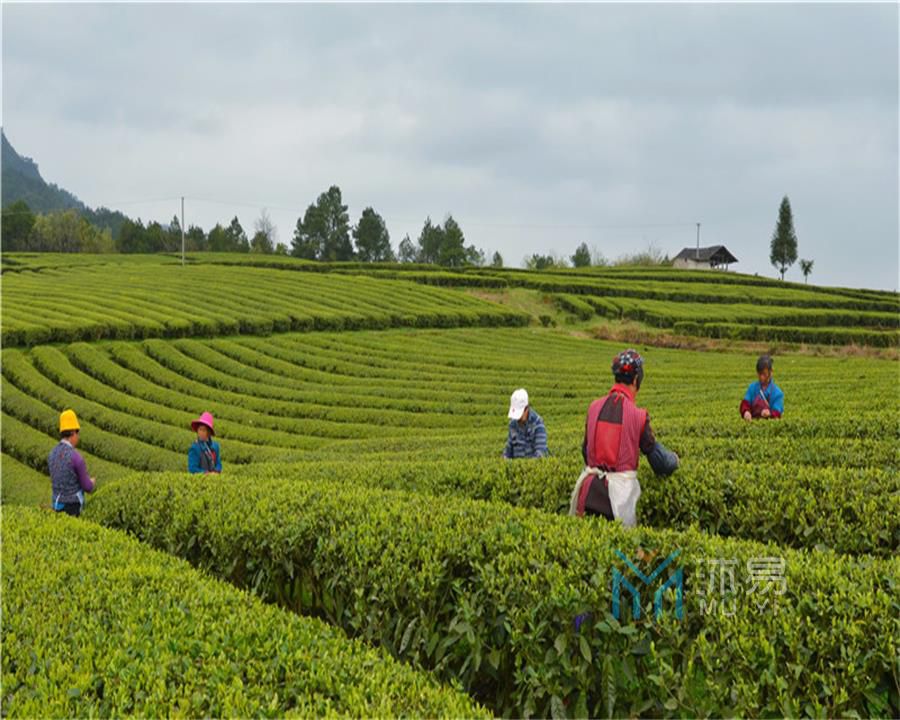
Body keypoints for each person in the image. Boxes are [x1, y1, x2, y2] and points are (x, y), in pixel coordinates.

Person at [570, 349, 679, 527]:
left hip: (588, 494)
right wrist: (674, 459)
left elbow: (585, 451)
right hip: (618, 502)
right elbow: (661, 464)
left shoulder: (593, 408)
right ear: (637, 380)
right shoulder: (638, 416)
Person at [48, 409, 96, 517]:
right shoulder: (76, 457)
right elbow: (87, 487)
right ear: (73, 433)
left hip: (56, 504)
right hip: (72, 507)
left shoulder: (52, 454)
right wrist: (92, 482)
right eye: (77, 433)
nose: (78, 437)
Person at [503, 388, 548, 459]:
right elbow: (508, 451)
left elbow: (540, 453)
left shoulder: (537, 424)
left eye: (520, 414)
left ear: (527, 409)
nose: (518, 418)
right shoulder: (512, 424)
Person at [740, 355, 784, 421]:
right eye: (759, 374)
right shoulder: (752, 388)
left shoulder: (777, 393)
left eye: (764, 374)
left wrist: (770, 413)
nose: (761, 377)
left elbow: (777, 413)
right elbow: (745, 404)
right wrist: (746, 412)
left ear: (771, 372)